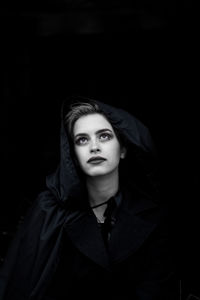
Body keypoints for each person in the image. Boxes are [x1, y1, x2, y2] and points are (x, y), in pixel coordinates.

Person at [0, 96, 179, 300]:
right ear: (73, 156)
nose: (94, 147)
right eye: (82, 140)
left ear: (122, 149)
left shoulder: (150, 215)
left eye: (104, 136)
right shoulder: (49, 211)